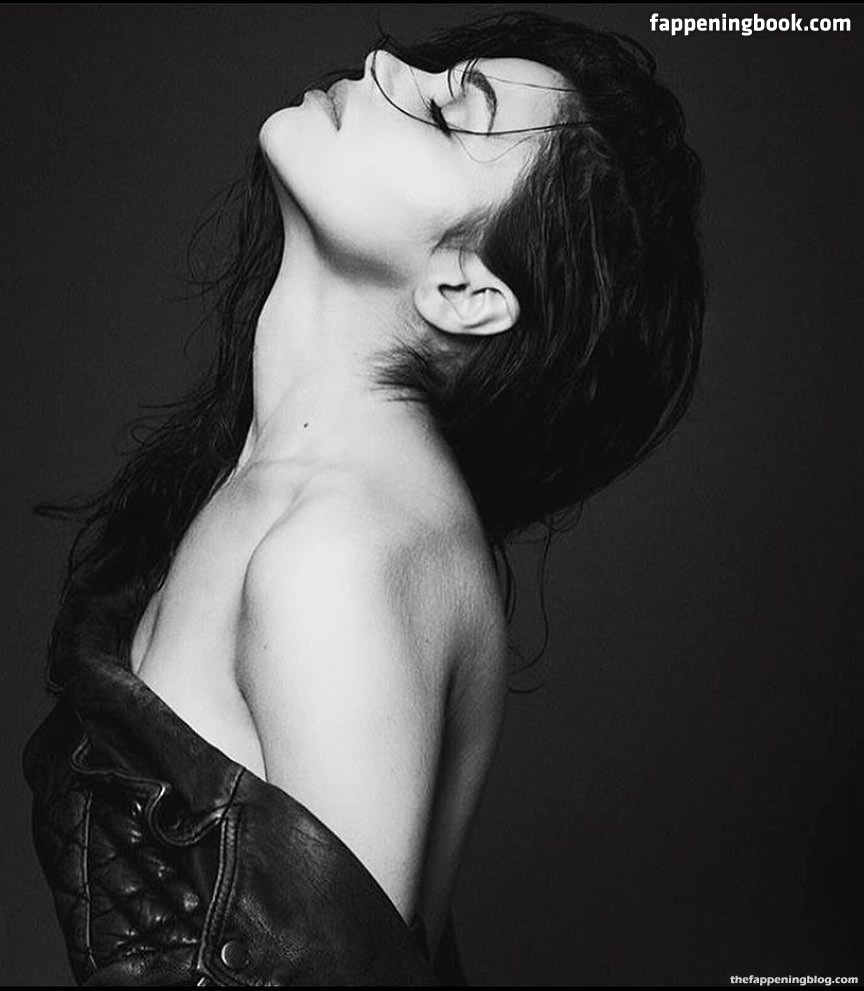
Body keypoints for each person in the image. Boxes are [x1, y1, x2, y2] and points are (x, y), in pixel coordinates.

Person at [22, 9, 704, 986]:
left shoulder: (341, 547)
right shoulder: (315, 495)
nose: (387, 63)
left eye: (448, 114)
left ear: (464, 292)